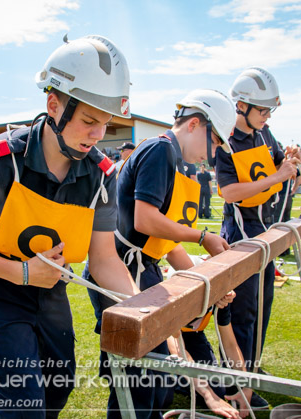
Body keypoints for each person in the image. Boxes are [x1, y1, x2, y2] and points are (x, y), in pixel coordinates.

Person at [0, 35, 141, 419]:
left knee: (58, 389)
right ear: (53, 106)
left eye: (106, 123)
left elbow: (103, 260)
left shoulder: (100, 176)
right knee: (22, 407)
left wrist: (140, 305)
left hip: (49, 290)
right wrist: (24, 272)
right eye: (88, 121)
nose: (99, 135)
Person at [85, 89, 236, 418]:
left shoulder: (174, 159)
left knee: (159, 380)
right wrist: (203, 236)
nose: (212, 155)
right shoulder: (159, 151)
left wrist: (208, 283)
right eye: (214, 143)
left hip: (144, 268)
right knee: (136, 384)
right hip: (121, 268)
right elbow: (146, 219)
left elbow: (166, 242)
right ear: (195, 124)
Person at [215, 67, 301, 408]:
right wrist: (277, 176)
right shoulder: (225, 140)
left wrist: (292, 160)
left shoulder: (266, 135)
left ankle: (248, 372)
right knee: (242, 314)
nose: (267, 117)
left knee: (261, 310)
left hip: (265, 236)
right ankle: (234, 386)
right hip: (241, 239)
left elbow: (283, 163)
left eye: (269, 111)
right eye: (262, 110)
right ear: (241, 106)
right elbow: (229, 191)